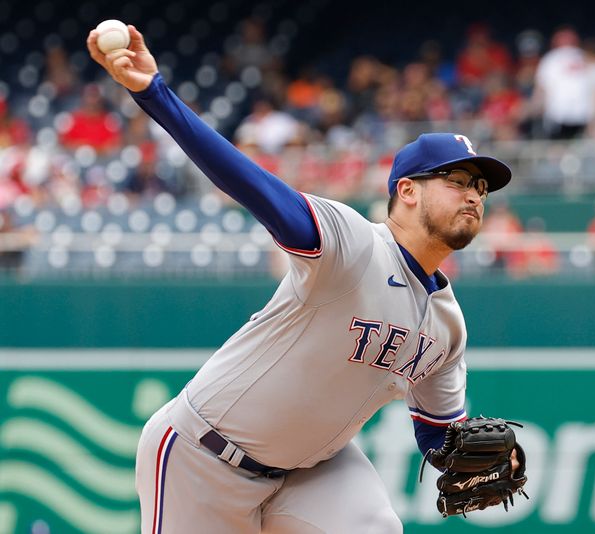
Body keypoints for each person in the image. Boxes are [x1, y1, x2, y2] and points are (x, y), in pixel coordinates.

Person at [88, 26, 520, 533]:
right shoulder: (352, 244)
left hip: (314, 470)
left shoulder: (448, 326)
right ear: (407, 190)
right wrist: (153, 94)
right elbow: (252, 185)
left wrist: (481, 460)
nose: (474, 196)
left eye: (480, 188)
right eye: (457, 181)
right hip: (202, 455)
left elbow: (439, 436)